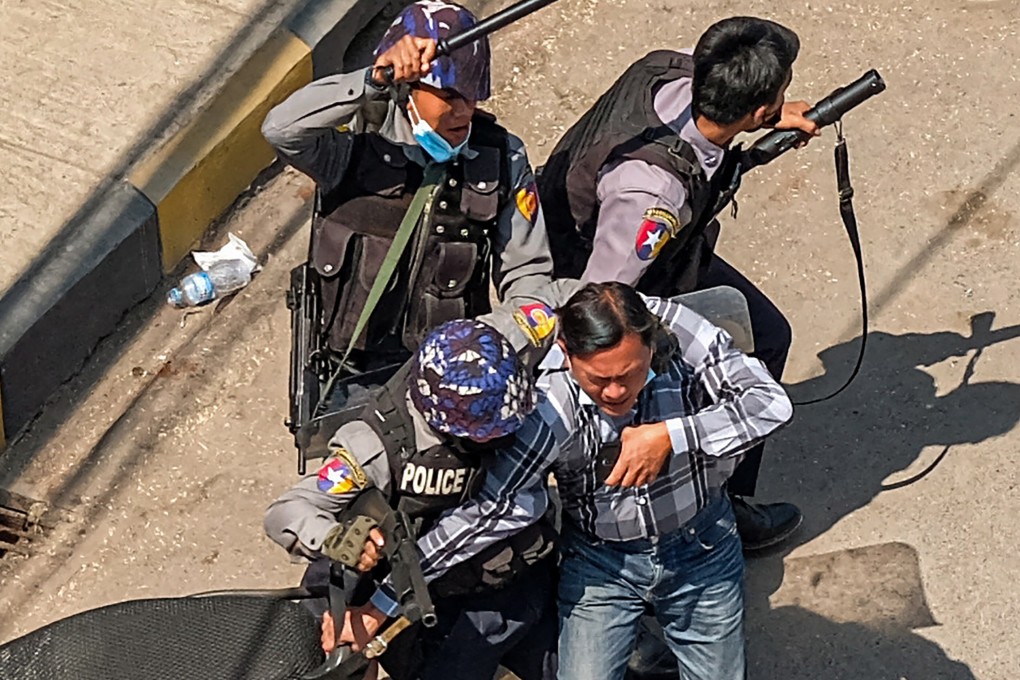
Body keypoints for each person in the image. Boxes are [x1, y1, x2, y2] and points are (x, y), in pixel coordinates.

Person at [537, 16, 817, 550]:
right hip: (601, 279)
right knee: (756, 342)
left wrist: (773, 115)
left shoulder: (668, 72)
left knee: (767, 331)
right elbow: (601, 295)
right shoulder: (652, 195)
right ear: (755, 108)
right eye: (776, 96)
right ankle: (717, 503)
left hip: (656, 247)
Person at [261, 1, 560, 373]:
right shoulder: (353, 146)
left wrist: (488, 347)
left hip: (447, 370)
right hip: (345, 368)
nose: (464, 111)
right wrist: (372, 79)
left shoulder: (501, 156)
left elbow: (528, 275)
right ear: (405, 90)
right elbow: (281, 131)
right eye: (449, 96)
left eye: (472, 96)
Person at [264, 319, 558, 680]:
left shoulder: (498, 347)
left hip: (506, 576)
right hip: (412, 588)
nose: (507, 433)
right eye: (489, 430)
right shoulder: (374, 447)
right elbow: (286, 510)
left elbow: (556, 302)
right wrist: (332, 538)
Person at [540, 282, 794, 679]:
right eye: (597, 380)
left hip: (702, 547)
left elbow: (770, 403)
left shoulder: (676, 326)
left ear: (652, 346)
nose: (615, 392)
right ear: (565, 353)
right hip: (599, 564)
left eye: (630, 373)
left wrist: (672, 436)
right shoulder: (544, 383)